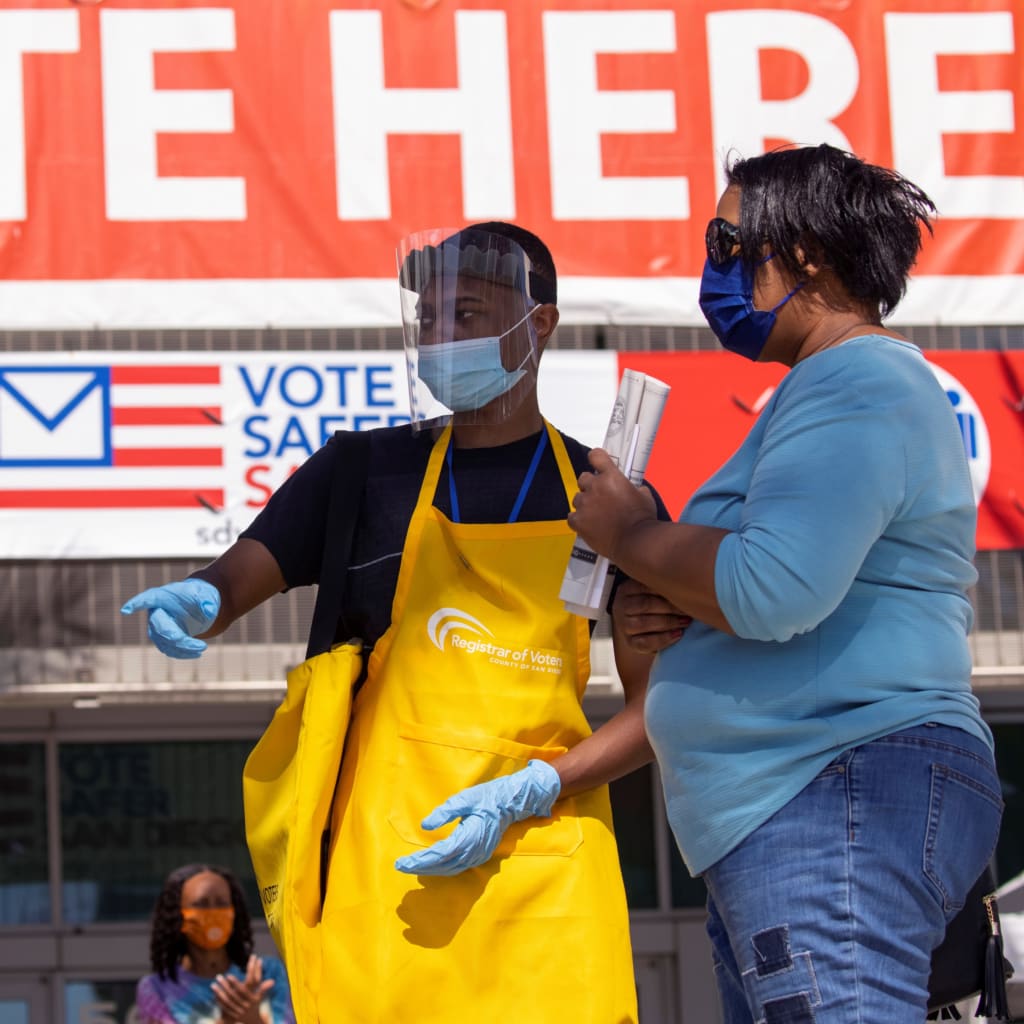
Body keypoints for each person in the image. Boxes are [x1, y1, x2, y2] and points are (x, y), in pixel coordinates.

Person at [122, 222, 668, 1023]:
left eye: (469, 314)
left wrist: (536, 788)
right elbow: (241, 575)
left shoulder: (608, 505)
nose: (442, 337)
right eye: (430, 319)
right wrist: (203, 600)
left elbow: (659, 710)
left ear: (538, 322)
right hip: (385, 873)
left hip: (547, 870)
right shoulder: (360, 473)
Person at [567, 144, 1004, 1022]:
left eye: (727, 241)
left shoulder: (858, 377)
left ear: (802, 251)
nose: (712, 268)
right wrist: (668, 586)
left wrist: (636, 535)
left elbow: (771, 589)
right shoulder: (834, 386)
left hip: (835, 786)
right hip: (803, 801)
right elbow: (760, 584)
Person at [136, 863, 294, 1024]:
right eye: (201, 904)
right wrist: (226, 1020)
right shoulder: (157, 989)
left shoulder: (268, 974)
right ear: (177, 915)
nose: (213, 912)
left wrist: (254, 1019)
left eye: (221, 903)